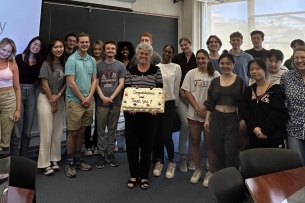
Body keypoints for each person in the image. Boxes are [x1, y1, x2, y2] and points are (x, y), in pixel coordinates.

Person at [124, 43, 163, 190]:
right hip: (132, 114)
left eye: (146, 54)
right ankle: (133, 175)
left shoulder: (156, 70)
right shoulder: (130, 71)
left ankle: (144, 176)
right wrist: (130, 107)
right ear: (137, 55)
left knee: (147, 145)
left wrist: (155, 107)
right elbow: (127, 91)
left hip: (150, 114)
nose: (143, 56)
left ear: (150, 55)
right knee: (132, 145)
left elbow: (159, 91)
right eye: (141, 54)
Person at [182, 49, 220, 187]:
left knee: (210, 144)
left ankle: (210, 172)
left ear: (208, 59)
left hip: (210, 114)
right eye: (198, 58)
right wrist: (198, 107)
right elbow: (187, 91)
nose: (200, 61)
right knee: (195, 141)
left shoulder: (215, 74)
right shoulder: (191, 73)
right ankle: (198, 169)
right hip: (194, 113)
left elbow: (217, 94)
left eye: (203, 58)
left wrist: (205, 108)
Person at [204, 50, 246, 171]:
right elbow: (210, 102)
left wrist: (243, 120)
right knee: (218, 151)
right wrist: (207, 119)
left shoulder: (240, 81)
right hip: (216, 118)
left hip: (232, 119)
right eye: (222, 63)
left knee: (231, 153)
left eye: (228, 63)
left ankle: (234, 183)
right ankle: (222, 183)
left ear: (233, 64)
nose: (225, 66)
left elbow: (243, 104)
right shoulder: (215, 81)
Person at [64, 32, 97, 178]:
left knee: (82, 130)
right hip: (74, 102)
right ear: (77, 43)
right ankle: (70, 162)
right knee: (73, 131)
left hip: (88, 101)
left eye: (87, 42)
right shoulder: (71, 60)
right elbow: (70, 83)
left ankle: (78, 159)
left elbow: (94, 80)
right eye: (82, 42)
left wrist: (88, 97)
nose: (85, 44)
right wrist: (82, 98)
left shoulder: (92, 60)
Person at [10, 36, 46, 157]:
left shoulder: (40, 62)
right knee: (17, 132)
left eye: (39, 46)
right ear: (30, 44)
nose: (36, 47)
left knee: (27, 132)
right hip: (18, 92)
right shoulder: (18, 58)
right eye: (35, 44)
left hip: (31, 93)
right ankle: (15, 161)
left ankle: (24, 160)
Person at [241, 59, 288, 149]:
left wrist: (264, 130)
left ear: (265, 70)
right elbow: (245, 111)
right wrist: (254, 128)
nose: (254, 71)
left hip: (273, 135)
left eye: (258, 69)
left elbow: (277, 112)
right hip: (254, 134)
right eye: (251, 69)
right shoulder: (248, 90)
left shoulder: (275, 89)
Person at [95, 41, 126, 169]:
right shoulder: (98, 65)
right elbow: (95, 83)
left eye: (113, 48)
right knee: (101, 130)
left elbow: (121, 83)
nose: (110, 50)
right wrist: (103, 97)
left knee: (112, 129)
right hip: (101, 102)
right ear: (104, 50)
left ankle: (110, 153)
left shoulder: (120, 65)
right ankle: (101, 154)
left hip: (115, 102)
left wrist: (111, 97)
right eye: (108, 48)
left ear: (116, 50)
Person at [37, 39, 66, 175]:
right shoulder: (46, 64)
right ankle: (44, 163)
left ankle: (54, 159)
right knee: (46, 132)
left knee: (57, 131)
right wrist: (52, 102)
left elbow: (67, 82)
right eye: (56, 47)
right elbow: (44, 85)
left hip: (59, 98)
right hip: (45, 98)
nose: (59, 49)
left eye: (61, 47)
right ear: (51, 49)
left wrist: (59, 96)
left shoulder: (65, 63)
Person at [153, 45, 181, 179]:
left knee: (166, 133)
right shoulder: (156, 67)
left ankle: (171, 161)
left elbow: (176, 87)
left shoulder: (176, 67)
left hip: (169, 103)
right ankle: (159, 162)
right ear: (162, 52)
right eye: (165, 51)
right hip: (156, 103)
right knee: (157, 133)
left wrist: (175, 105)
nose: (167, 54)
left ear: (172, 54)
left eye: (170, 52)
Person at [172, 37, 197, 172]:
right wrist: (182, 92)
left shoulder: (196, 58)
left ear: (190, 44)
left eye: (186, 44)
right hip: (181, 95)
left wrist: (190, 95)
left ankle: (192, 157)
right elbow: (175, 77)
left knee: (194, 125)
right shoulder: (176, 59)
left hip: (194, 96)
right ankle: (182, 156)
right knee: (185, 123)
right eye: (181, 45)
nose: (184, 47)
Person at [280, 45, 305, 165]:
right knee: (297, 165)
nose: (299, 61)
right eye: (296, 58)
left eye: (303, 57)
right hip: (294, 128)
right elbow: (282, 100)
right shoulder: (287, 77)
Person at [228, 31, 253, 152]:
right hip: (229, 90)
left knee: (242, 121)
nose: (236, 42)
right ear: (230, 42)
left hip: (244, 91)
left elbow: (251, 74)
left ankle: (243, 150)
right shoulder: (226, 55)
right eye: (233, 40)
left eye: (238, 40)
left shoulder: (248, 57)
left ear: (242, 42)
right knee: (231, 120)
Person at [0, 38, 21, 154]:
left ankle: (3, 170)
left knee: (6, 136)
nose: (5, 53)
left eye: (8, 51)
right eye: (3, 49)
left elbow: (17, 88)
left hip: (9, 99)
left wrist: (18, 109)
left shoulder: (12, 65)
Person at [84, 40, 104, 156]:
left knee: (99, 120)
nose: (97, 51)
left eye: (99, 49)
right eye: (95, 49)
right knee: (87, 120)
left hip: (101, 93)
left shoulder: (105, 62)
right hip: (89, 92)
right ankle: (87, 146)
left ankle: (97, 144)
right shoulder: (89, 61)